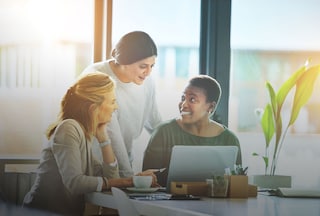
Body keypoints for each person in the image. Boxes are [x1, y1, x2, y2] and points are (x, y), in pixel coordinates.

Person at [22, 72, 157, 216]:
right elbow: (75, 183)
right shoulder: (69, 128)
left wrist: (104, 139)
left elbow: (110, 179)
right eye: (112, 101)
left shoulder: (84, 133)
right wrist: (128, 182)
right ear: (94, 107)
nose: (115, 107)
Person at [81, 31, 162, 178]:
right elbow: (112, 134)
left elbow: (155, 123)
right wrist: (128, 178)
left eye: (152, 66)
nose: (148, 72)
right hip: (92, 166)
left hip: (122, 164)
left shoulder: (146, 82)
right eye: (143, 66)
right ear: (125, 60)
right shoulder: (98, 77)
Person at [142, 75, 242, 186]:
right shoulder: (163, 133)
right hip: (168, 201)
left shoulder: (229, 140)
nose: (183, 105)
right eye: (183, 98)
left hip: (216, 201)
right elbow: (146, 180)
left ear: (211, 107)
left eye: (192, 99)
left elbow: (236, 183)